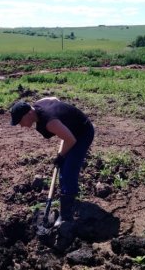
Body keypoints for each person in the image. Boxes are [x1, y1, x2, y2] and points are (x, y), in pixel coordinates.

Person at [10, 97, 95, 229]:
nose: (21, 125)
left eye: (20, 121)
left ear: (29, 114)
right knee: (63, 165)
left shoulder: (50, 122)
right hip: (72, 131)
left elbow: (71, 140)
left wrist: (61, 155)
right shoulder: (38, 104)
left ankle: (66, 216)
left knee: (69, 169)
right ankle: (67, 197)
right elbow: (55, 99)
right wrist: (65, 121)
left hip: (83, 133)